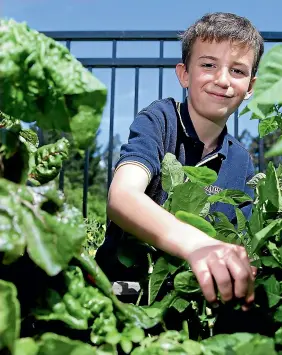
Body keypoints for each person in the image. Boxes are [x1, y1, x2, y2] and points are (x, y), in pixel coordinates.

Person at [95, 12, 264, 310]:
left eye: (237, 71)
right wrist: (198, 245)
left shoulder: (241, 161)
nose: (222, 79)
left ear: (250, 87)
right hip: (123, 293)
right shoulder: (160, 120)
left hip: (194, 305)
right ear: (184, 74)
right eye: (208, 65)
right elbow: (122, 197)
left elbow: (241, 243)